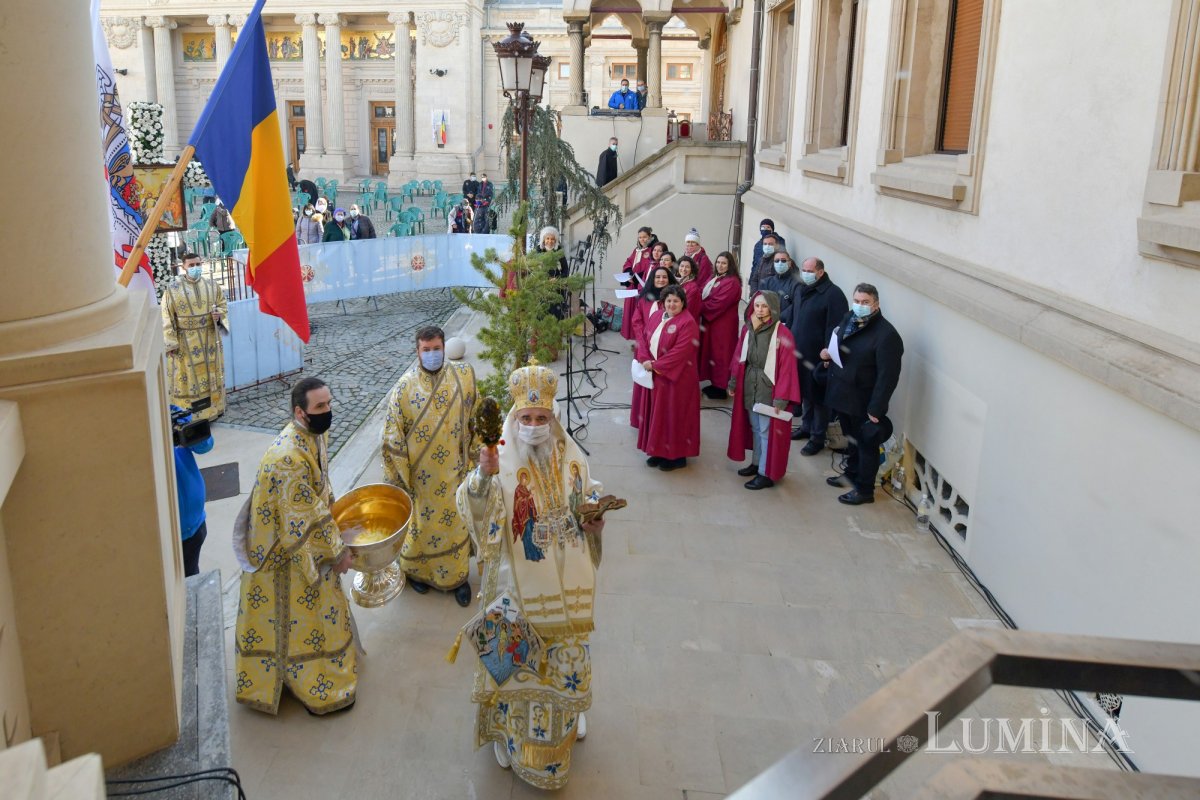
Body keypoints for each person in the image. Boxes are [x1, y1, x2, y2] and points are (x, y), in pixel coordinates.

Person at [455, 362, 606, 790]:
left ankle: (568, 716)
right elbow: (472, 508)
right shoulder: (497, 457)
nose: (535, 427)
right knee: (517, 667)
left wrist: (595, 522)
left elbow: (586, 497)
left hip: (566, 581)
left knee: (563, 664)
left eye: (542, 419)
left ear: (553, 417)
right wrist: (483, 475)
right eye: (527, 418)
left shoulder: (570, 452)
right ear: (514, 417)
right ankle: (507, 733)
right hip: (514, 585)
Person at [234, 377, 357, 715]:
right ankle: (310, 684)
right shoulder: (287, 458)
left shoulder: (314, 436)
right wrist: (339, 552)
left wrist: (337, 521)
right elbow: (303, 519)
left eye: (329, 403)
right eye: (320, 407)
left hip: (299, 542)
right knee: (295, 618)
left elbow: (318, 495)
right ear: (300, 412)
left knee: (314, 613)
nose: (328, 411)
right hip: (282, 554)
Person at [381, 327, 479, 605]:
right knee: (421, 528)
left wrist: (474, 459)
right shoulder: (403, 388)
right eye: (426, 350)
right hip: (420, 479)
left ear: (444, 348)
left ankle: (458, 579)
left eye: (437, 348)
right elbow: (391, 436)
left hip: (455, 472)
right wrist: (399, 480)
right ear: (418, 352)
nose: (432, 354)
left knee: (456, 524)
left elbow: (475, 416)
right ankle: (416, 573)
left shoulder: (463, 377)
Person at [821, 283, 904, 505]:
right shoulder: (849, 319)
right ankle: (851, 473)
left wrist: (876, 408)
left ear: (875, 304)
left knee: (866, 445)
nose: (859, 306)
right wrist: (829, 354)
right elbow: (841, 344)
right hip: (843, 394)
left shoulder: (887, 335)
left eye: (865, 302)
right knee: (851, 440)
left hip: (864, 401)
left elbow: (888, 376)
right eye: (857, 301)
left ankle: (864, 489)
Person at [727, 291, 801, 490]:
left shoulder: (783, 334)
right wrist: (734, 381)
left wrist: (781, 398)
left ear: (773, 308)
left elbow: (787, 369)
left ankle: (765, 473)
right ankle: (757, 462)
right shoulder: (748, 328)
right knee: (756, 428)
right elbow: (738, 356)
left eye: (764, 306)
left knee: (766, 431)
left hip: (769, 388)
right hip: (750, 383)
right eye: (757, 305)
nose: (759, 309)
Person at [785, 257, 849, 453]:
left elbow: (836, 329)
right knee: (805, 394)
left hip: (819, 358)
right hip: (799, 354)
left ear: (820, 272)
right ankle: (806, 427)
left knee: (819, 399)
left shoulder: (833, 295)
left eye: (809, 270)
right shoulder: (799, 289)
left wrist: (829, 355)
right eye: (803, 269)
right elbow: (793, 315)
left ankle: (817, 437)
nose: (805, 273)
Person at [637, 285, 701, 471]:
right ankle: (657, 450)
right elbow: (643, 338)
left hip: (678, 378)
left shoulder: (687, 322)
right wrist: (644, 357)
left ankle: (677, 456)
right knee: (659, 416)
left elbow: (681, 352)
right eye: (668, 301)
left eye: (676, 301)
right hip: (656, 376)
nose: (672, 304)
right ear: (663, 302)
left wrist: (656, 365)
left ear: (683, 303)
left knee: (674, 416)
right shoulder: (657, 316)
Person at [162, 253, 229, 421]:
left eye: (198, 264)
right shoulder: (173, 289)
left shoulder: (212, 286)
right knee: (189, 378)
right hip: (185, 342)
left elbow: (222, 305)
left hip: (209, 338)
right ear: (183, 266)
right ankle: (190, 414)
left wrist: (218, 315)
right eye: (191, 265)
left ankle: (213, 409)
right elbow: (166, 316)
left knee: (209, 374)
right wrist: (171, 343)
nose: (195, 268)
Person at [630, 265, 677, 428]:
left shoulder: (673, 301)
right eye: (657, 277)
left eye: (664, 277)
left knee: (660, 389)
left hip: (664, 351)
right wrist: (643, 350)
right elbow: (637, 322)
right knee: (644, 384)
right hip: (644, 348)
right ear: (652, 279)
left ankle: (657, 423)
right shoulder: (644, 299)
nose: (661, 280)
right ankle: (642, 419)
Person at [172, 406, 214, 577]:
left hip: (196, 523)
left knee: (191, 575)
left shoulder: (170, 411)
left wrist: (182, 423)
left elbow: (205, 445)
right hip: (171, 534)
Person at [698, 251, 742, 400]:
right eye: (718, 262)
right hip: (712, 324)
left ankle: (721, 387)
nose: (720, 265)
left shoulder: (732, 282)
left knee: (721, 355)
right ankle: (715, 382)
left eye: (724, 263)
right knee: (711, 353)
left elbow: (717, 303)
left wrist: (698, 307)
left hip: (723, 326)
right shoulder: (715, 277)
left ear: (730, 265)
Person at [619, 226, 656, 340]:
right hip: (632, 286)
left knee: (639, 315)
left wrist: (636, 278)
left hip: (642, 286)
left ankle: (640, 340)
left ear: (650, 237)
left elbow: (650, 269)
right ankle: (633, 338)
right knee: (631, 314)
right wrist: (628, 272)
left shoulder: (653, 250)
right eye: (640, 237)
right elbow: (628, 262)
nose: (642, 240)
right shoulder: (636, 250)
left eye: (644, 237)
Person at [758, 247, 802, 328]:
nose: (780, 263)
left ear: (789, 263)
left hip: (785, 326)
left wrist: (777, 318)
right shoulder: (766, 282)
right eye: (777, 261)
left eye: (783, 260)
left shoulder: (797, 284)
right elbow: (759, 302)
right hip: (765, 324)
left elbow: (795, 307)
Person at [537, 226, 571, 320]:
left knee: (556, 314)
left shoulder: (559, 251)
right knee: (542, 313)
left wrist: (557, 279)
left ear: (555, 240)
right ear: (543, 239)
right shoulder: (538, 251)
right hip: (542, 287)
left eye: (552, 239)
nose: (550, 241)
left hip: (557, 287)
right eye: (547, 238)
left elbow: (565, 270)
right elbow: (534, 269)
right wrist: (544, 280)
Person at [749, 220, 787, 294]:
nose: (765, 229)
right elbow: (754, 265)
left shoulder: (779, 242)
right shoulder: (758, 245)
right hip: (759, 281)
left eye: (768, 227)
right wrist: (752, 289)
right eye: (763, 227)